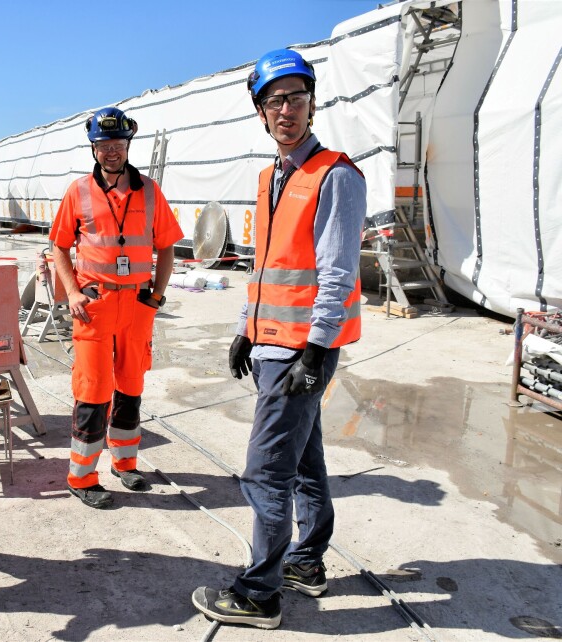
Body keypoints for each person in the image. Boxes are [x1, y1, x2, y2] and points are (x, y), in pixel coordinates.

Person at [191, 49, 366, 629]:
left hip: (300, 351)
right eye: (274, 101)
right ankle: (306, 562)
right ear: (260, 112)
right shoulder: (272, 176)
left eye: (295, 97)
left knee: (265, 470)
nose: (285, 109)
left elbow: (337, 273)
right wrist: (246, 326)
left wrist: (316, 350)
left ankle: (259, 593)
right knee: (305, 461)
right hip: (269, 345)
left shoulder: (335, 174)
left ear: (313, 102)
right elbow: (266, 264)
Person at [49, 107, 183, 509]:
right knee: (93, 389)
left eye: (117, 144)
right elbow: (58, 246)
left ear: (128, 144)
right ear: (94, 147)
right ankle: (82, 476)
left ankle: (126, 464)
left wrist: (155, 297)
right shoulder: (78, 191)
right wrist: (72, 293)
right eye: (103, 145)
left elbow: (167, 246)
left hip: (137, 304)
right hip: (95, 304)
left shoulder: (150, 190)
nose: (111, 152)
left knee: (131, 385)